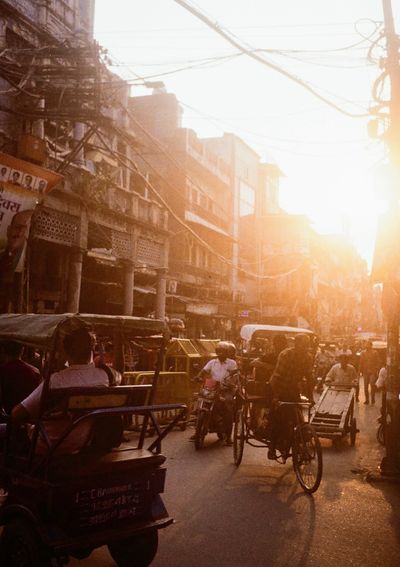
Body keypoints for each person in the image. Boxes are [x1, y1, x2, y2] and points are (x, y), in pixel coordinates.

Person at [11, 327, 110, 455]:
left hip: (45, 445)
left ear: (66, 352)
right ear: (91, 349)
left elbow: (16, 414)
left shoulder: (55, 380)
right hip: (81, 442)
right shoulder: (103, 377)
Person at [268, 333, 314, 460]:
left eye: (306, 345)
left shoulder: (308, 357)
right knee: (276, 417)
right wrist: (276, 397)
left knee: (298, 416)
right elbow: (277, 377)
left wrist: (311, 397)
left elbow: (309, 377)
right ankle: (272, 447)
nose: (305, 348)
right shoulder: (286, 355)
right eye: (302, 345)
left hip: (292, 388)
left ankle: (298, 444)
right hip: (279, 386)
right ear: (296, 344)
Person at [195, 341, 238, 445]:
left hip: (226, 389)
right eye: (219, 351)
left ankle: (228, 436)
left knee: (228, 407)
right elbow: (204, 371)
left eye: (223, 352)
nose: (221, 354)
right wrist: (198, 376)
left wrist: (230, 383)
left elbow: (234, 376)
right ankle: (197, 429)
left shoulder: (232, 363)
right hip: (212, 387)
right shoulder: (212, 362)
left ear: (227, 353)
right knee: (201, 401)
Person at [0, 341, 41, 416]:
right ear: (22, 350)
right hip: (29, 414)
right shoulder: (35, 371)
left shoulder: (2, 371)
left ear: (2, 350)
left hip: (10, 415)